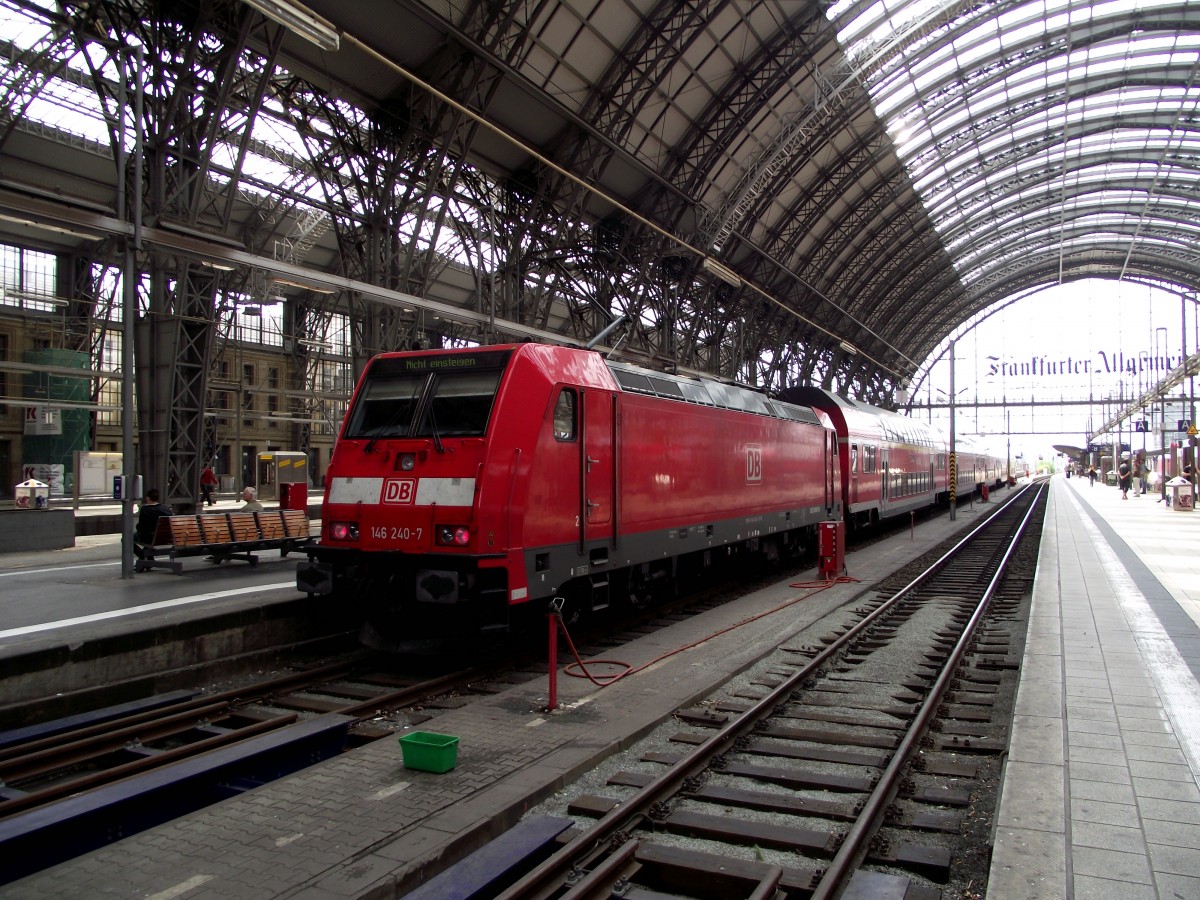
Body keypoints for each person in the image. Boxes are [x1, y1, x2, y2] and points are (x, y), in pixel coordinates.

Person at [134, 488, 172, 558]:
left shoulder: (145, 510)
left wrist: (137, 527)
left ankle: (142, 556)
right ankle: (149, 559)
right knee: (149, 534)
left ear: (148, 498)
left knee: (126, 539)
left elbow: (141, 527)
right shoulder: (166, 509)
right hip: (166, 538)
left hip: (150, 538)